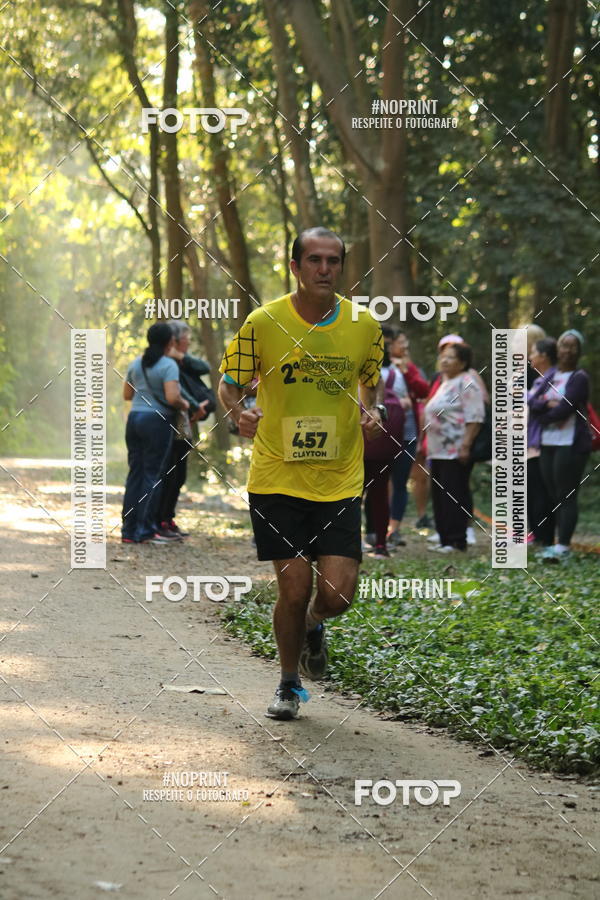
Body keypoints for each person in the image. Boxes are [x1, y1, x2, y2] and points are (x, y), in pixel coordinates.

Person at [218, 226, 384, 720]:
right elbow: (229, 385)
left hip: (339, 478)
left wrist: (370, 412)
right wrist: (237, 413)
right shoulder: (264, 322)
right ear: (294, 267)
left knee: (336, 595)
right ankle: (289, 685)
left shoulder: (364, 326)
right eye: (314, 260)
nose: (325, 269)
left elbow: (368, 386)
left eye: (333, 261)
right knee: (292, 588)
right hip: (276, 477)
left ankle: (316, 626)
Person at [121, 323, 189, 544]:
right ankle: (147, 531)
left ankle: (129, 531)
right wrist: (184, 403)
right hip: (157, 421)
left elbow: (127, 394)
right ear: (170, 342)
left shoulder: (135, 364)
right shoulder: (168, 365)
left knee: (135, 473)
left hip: (134, 420)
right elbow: (172, 398)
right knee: (152, 475)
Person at [528, 329, 592, 562]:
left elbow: (566, 407)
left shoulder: (579, 378)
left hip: (570, 444)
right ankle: (557, 543)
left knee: (566, 494)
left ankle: (563, 546)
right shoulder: (551, 376)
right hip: (548, 442)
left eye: (572, 346)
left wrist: (544, 413)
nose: (567, 350)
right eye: (564, 345)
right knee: (554, 494)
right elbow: (532, 401)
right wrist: (547, 404)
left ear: (579, 351)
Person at [424, 342, 484, 552]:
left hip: (456, 449)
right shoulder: (445, 382)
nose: (444, 360)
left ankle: (457, 540)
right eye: (443, 356)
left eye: (450, 357)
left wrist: (466, 445)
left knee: (454, 494)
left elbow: (475, 417)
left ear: (463, 362)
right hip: (437, 450)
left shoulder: (467, 382)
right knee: (440, 495)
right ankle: (445, 539)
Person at [156, 320, 211, 538]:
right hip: (171, 423)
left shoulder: (182, 362)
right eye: (186, 338)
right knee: (170, 473)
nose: (188, 342)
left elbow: (205, 367)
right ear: (174, 341)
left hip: (185, 424)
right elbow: (175, 392)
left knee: (179, 475)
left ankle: (168, 518)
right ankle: (159, 519)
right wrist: (194, 406)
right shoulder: (164, 363)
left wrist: (181, 357)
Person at [385, 330, 429, 547]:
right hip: (380, 433)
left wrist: (408, 370)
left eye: (406, 342)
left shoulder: (409, 368)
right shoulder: (375, 365)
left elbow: (423, 390)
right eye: (401, 343)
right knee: (380, 483)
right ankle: (378, 528)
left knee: (400, 482)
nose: (405, 346)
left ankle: (395, 529)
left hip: (407, 431)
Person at [526, 337, 557, 546]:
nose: (530, 357)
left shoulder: (555, 378)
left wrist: (533, 401)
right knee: (532, 490)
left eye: (533, 352)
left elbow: (551, 405)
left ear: (544, 356)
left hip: (546, 442)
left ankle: (545, 537)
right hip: (532, 442)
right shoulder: (538, 380)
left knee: (542, 492)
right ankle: (536, 534)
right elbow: (539, 403)